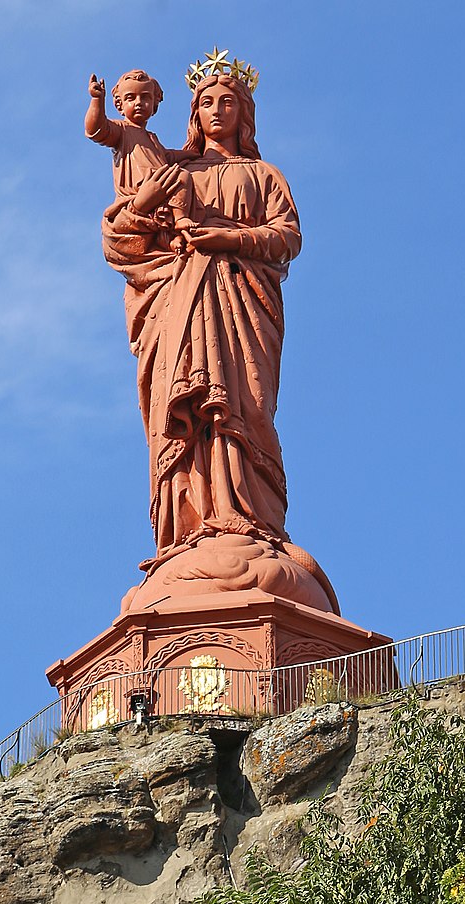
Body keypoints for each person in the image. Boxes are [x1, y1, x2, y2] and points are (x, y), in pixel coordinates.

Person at [101, 70, 305, 573]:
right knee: (183, 405)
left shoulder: (263, 176)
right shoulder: (171, 170)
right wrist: (143, 206)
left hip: (241, 298)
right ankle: (187, 528)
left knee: (245, 403)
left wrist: (227, 239)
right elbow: (119, 241)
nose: (217, 109)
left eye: (228, 101)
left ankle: (250, 516)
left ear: (244, 113)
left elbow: (287, 237)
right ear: (194, 113)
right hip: (177, 299)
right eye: (207, 101)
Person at [85, 70, 192, 246]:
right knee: (180, 176)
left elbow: (168, 156)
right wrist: (97, 100)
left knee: (182, 177)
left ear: (155, 103)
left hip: (162, 190)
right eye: (130, 98)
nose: (138, 103)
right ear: (119, 105)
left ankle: (178, 222)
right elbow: (96, 129)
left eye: (145, 98)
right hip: (139, 193)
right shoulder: (122, 130)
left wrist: (193, 153)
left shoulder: (152, 138)